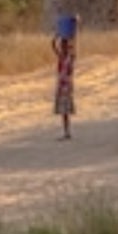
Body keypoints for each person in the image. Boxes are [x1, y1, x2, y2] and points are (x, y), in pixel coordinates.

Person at [51, 12, 79, 140]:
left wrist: (75, 27)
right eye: (63, 46)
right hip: (62, 85)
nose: (63, 48)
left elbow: (73, 43)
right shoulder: (62, 57)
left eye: (64, 46)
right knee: (63, 111)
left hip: (66, 85)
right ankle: (66, 131)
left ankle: (67, 132)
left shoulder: (70, 57)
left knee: (65, 110)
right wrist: (57, 36)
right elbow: (53, 45)